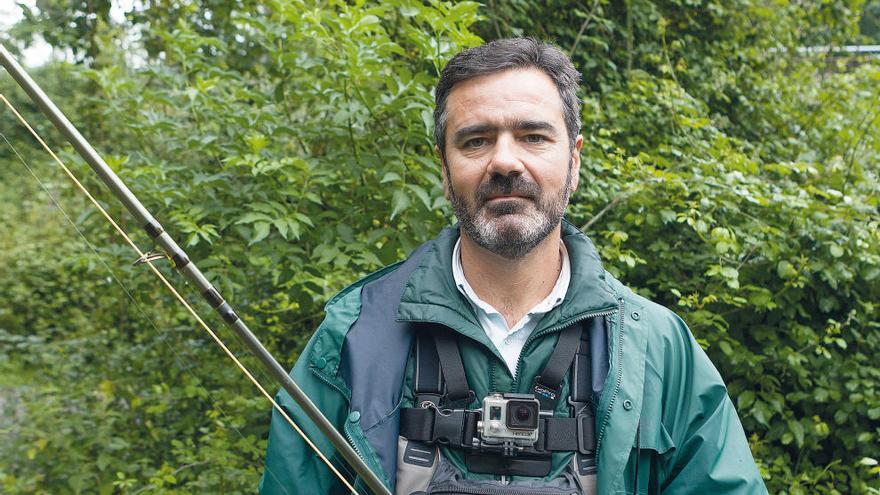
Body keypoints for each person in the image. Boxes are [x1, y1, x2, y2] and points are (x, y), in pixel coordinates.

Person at [260, 38, 767, 495]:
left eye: (533, 137)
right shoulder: (352, 339)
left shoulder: (660, 351)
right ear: (444, 169)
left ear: (574, 162)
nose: (505, 162)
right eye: (476, 140)